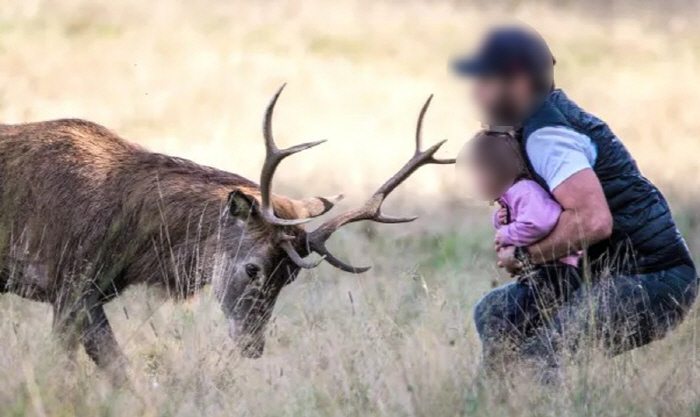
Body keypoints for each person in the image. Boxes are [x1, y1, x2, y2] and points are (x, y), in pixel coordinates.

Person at [453, 25, 698, 376]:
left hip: (650, 278)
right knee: (494, 312)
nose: (476, 92)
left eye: (486, 81)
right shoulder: (533, 127)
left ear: (520, 83)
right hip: (611, 276)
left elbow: (594, 220)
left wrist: (523, 255)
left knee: (540, 364)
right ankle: (490, 403)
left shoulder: (548, 136)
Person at [464, 129, 583, 373]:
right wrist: (502, 221)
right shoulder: (512, 195)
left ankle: (502, 380)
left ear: (496, 172)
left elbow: (540, 221)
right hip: (545, 274)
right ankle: (506, 380)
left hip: (553, 275)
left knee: (512, 326)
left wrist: (507, 234)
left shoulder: (523, 190)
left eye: (479, 174)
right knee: (499, 316)